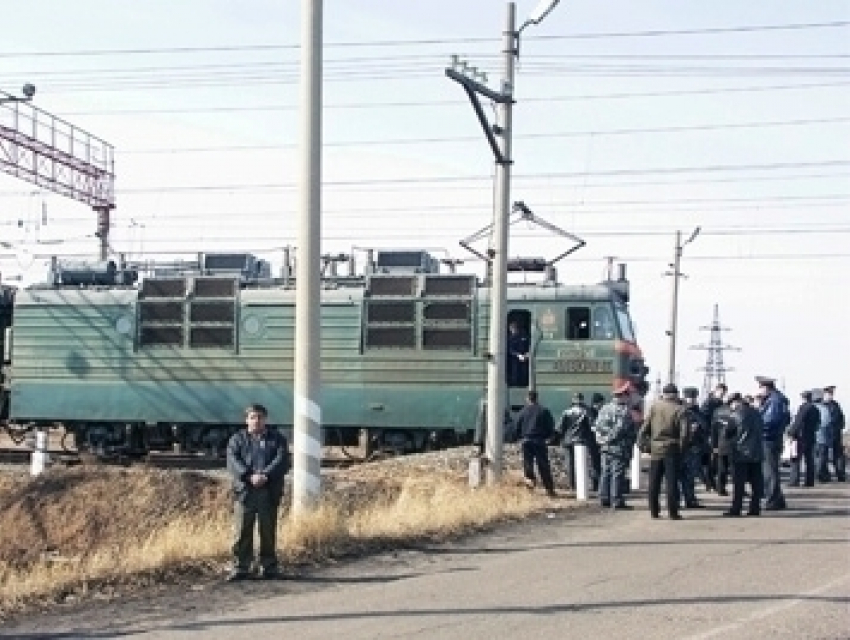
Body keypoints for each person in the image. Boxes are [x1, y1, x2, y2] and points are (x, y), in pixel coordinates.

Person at [226, 403, 290, 581]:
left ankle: (269, 567)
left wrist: (265, 475)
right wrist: (249, 476)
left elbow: (282, 460)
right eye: (253, 417)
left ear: (265, 419)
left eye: (260, 417)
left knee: (267, 532)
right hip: (245, 493)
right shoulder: (237, 439)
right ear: (246, 420)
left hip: (268, 492)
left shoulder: (277, 439)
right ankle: (241, 567)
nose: (256, 421)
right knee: (242, 532)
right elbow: (233, 461)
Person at [639, 383, 688, 520]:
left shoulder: (654, 407)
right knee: (671, 482)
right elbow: (685, 434)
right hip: (672, 449)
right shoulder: (680, 410)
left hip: (655, 449)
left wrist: (645, 446)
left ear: (664, 394)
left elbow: (644, 429)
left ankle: (654, 511)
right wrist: (682, 450)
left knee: (654, 481)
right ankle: (673, 512)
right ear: (676, 394)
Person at [593, 383, 637, 509]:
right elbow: (620, 429)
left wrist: (603, 440)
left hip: (605, 447)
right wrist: (611, 439)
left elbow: (597, 426)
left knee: (605, 472)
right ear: (622, 395)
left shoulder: (604, 408)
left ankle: (604, 498)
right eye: (627, 394)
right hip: (618, 447)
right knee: (617, 473)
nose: (629, 397)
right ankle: (617, 500)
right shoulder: (624, 411)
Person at [723, 393, 764, 517]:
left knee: (739, 483)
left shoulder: (735, 415)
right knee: (756, 483)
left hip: (740, 453)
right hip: (756, 452)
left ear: (735, 402)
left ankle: (736, 508)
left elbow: (727, 433)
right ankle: (755, 508)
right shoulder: (757, 413)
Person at [756, 376, 788, 511]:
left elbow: (770, 421)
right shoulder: (777, 399)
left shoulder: (774, 401)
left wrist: (757, 425)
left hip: (769, 438)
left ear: (766, 387)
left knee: (769, 471)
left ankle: (772, 500)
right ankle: (778, 499)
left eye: (761, 388)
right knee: (772, 469)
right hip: (773, 438)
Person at [515, 390, 556, 497]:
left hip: (526, 441)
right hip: (539, 441)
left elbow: (516, 427)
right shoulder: (544, 411)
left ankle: (530, 488)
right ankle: (549, 489)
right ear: (537, 398)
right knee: (543, 465)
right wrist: (548, 437)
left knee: (528, 465)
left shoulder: (522, 411)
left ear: (527, 399)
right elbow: (550, 426)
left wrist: (519, 437)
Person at [557, 392, 593, 491]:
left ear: (573, 400)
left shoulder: (566, 412)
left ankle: (572, 485)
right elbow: (591, 427)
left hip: (568, 440)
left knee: (570, 464)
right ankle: (581, 485)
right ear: (582, 400)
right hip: (581, 440)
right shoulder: (586, 412)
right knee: (582, 463)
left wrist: (560, 439)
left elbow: (560, 428)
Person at [680, 387, 709, 509]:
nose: (691, 400)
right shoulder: (680, 411)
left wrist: (698, 430)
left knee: (691, 476)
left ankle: (690, 498)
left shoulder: (698, 413)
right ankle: (682, 499)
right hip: (682, 447)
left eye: (693, 398)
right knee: (680, 476)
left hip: (694, 448)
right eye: (689, 398)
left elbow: (706, 428)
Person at [786, 390, 819, 487]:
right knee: (809, 460)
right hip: (811, 436)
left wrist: (791, 433)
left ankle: (794, 480)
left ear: (803, 398)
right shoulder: (815, 409)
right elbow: (818, 423)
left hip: (801, 437)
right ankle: (809, 481)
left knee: (796, 459)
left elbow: (798, 422)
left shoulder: (803, 408)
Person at [700, 383, 728, 491]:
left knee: (715, 461)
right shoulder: (709, 402)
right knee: (710, 460)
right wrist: (708, 433)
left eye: (724, 392)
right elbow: (704, 418)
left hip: (718, 435)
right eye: (720, 391)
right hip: (710, 435)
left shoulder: (721, 403)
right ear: (716, 390)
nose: (722, 393)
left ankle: (711, 482)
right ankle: (709, 482)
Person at [823, 386, 846, 482]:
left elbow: (841, 419)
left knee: (837, 456)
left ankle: (840, 474)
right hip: (828, 434)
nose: (831, 396)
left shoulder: (835, 405)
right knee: (824, 456)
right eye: (829, 394)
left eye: (831, 394)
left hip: (833, 434)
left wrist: (839, 428)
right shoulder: (826, 405)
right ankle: (827, 475)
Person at [813, 389, 833, 483]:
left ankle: (818, 474)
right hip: (822, 437)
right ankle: (819, 475)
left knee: (815, 457)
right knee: (821, 457)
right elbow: (826, 423)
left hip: (812, 437)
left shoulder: (811, 407)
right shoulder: (824, 409)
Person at [587, 392, 605, 491]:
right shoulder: (591, 412)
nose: (602, 405)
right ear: (597, 403)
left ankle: (598, 485)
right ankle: (596, 485)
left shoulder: (596, 412)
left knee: (598, 464)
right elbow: (593, 426)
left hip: (597, 442)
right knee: (595, 464)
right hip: (592, 442)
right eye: (601, 403)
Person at [506, 321, 530, 387]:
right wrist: (518, 355)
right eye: (512, 329)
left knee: (524, 373)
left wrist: (527, 354)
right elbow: (509, 350)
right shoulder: (509, 338)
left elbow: (529, 345)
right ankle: (515, 385)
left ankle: (523, 384)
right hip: (514, 359)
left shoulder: (524, 335)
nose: (513, 330)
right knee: (515, 374)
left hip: (525, 357)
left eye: (514, 329)